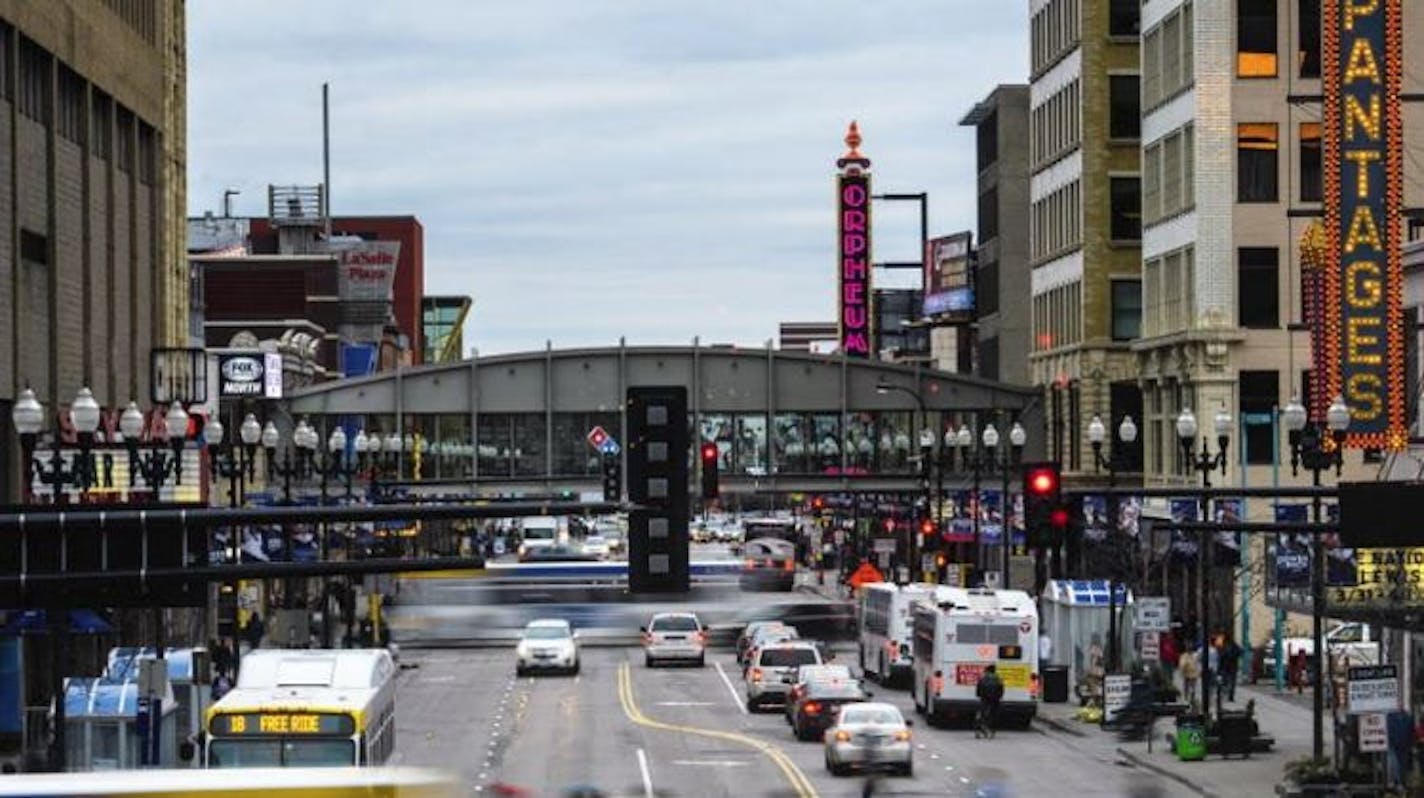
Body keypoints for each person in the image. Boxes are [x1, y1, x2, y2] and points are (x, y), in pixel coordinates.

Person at [975, 665, 1005, 735]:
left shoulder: (983, 678)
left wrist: (979, 695)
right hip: (995, 699)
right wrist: (999, 696)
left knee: (983, 713)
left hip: (984, 698)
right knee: (993, 714)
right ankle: (992, 730)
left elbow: (978, 688)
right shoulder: (998, 678)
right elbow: (1001, 688)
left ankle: (980, 729)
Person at [1220, 635, 1243, 703]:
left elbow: (1221, 658)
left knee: (1226, 682)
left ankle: (1228, 695)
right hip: (1232, 667)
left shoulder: (1224, 647)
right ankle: (1230, 696)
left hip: (1227, 667)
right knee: (1231, 682)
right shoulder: (1235, 646)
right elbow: (1240, 653)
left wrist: (1220, 668)